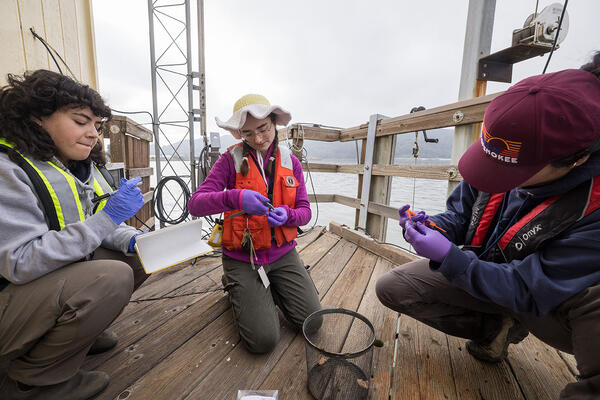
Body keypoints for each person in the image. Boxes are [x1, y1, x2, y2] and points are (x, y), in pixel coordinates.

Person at [376, 52, 600, 399]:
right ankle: (497, 327)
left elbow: (530, 288)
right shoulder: (504, 153)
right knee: (394, 287)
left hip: (549, 305)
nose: (498, 178)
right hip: (494, 275)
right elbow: (461, 216)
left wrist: (451, 259)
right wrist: (434, 228)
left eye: (514, 171)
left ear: (578, 158)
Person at [0, 70, 148, 400]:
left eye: (97, 125)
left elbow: (94, 222)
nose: (93, 134)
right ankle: (32, 384)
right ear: (37, 117)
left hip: (37, 289)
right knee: (110, 277)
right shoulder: (7, 170)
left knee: (137, 256)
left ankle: (75, 335)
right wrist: (108, 218)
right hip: (9, 295)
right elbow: (20, 263)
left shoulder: (75, 165)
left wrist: (134, 239)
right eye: (81, 121)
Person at [188, 94, 321, 353]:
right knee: (263, 341)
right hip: (242, 258)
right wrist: (236, 197)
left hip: (283, 254)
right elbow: (195, 204)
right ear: (239, 134)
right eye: (247, 134)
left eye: (263, 129)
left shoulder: (291, 162)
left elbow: (305, 211)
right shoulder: (229, 160)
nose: (258, 139)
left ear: (275, 124)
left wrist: (289, 215)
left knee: (312, 322)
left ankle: (272, 289)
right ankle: (237, 285)